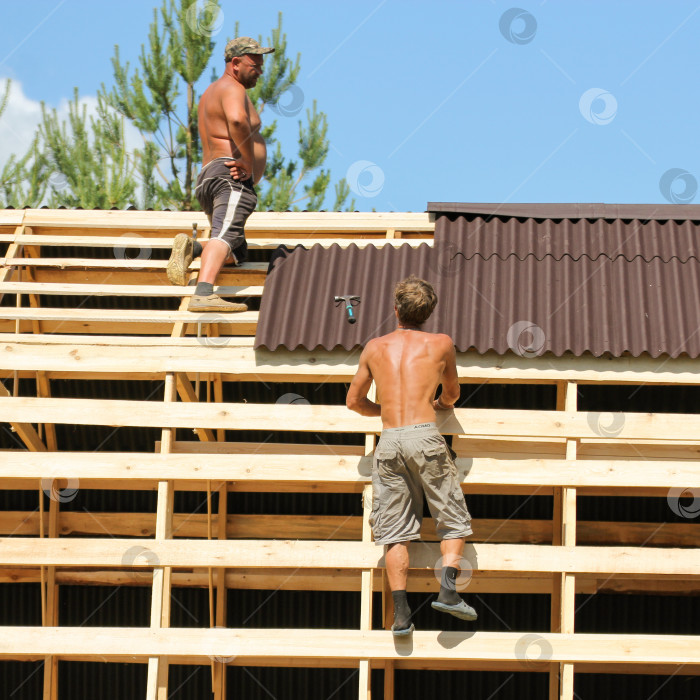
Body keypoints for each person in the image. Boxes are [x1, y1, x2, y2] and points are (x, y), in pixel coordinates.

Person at [346, 275, 476, 636]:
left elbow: (354, 402)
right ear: (429, 312)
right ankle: (448, 592)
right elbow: (452, 392)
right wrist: (437, 404)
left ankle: (401, 617)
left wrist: (386, 411)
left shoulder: (374, 347)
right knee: (451, 516)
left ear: (395, 309)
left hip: (389, 440)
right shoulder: (441, 343)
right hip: (424, 435)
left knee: (394, 531)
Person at [166, 36, 273, 311]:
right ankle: (203, 293)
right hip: (231, 178)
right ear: (235, 63)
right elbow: (237, 120)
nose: (260, 70)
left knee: (237, 250)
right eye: (254, 64)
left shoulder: (212, 91)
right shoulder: (232, 88)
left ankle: (194, 249)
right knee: (225, 236)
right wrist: (247, 161)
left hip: (211, 176)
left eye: (262, 65)